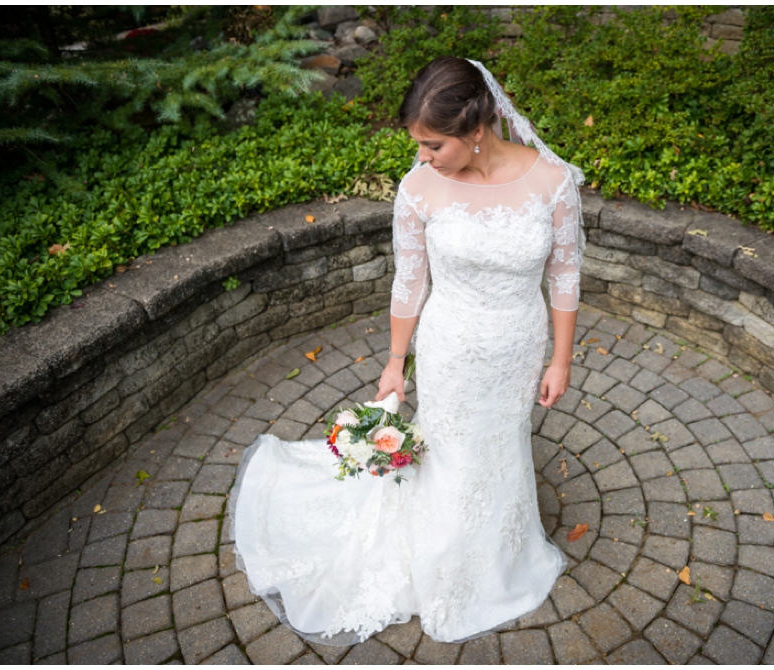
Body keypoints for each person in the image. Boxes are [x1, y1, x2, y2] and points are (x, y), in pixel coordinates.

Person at [229, 56, 585, 646]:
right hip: (449, 345)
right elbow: (409, 282)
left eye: (432, 144)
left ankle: (500, 547)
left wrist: (561, 360)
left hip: (517, 344)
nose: (421, 156)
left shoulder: (552, 181)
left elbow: (566, 276)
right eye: (417, 143)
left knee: (500, 441)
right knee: (448, 447)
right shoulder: (419, 189)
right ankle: (443, 555)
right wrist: (396, 362)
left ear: (476, 131)